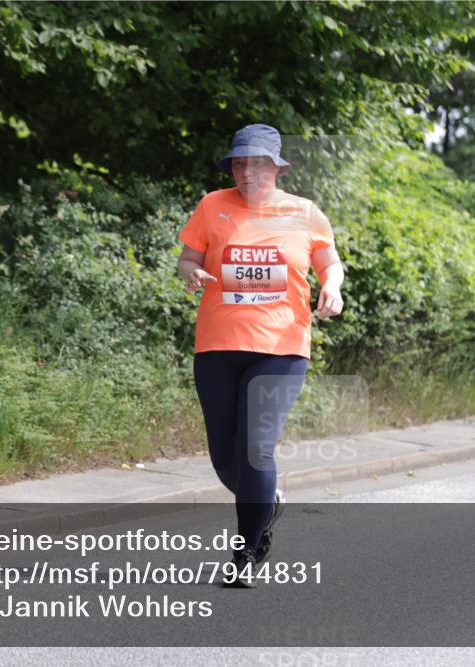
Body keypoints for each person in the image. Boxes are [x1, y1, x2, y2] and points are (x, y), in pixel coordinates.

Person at [177, 124, 344, 588]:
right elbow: (188, 259)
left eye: (257, 163)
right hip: (217, 346)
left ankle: (246, 550)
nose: (247, 171)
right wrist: (190, 273)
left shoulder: (304, 212)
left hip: (281, 347)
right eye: (239, 163)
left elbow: (330, 263)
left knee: (255, 447)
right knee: (225, 458)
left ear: (277, 167)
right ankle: (265, 499)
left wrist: (331, 287)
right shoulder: (213, 205)